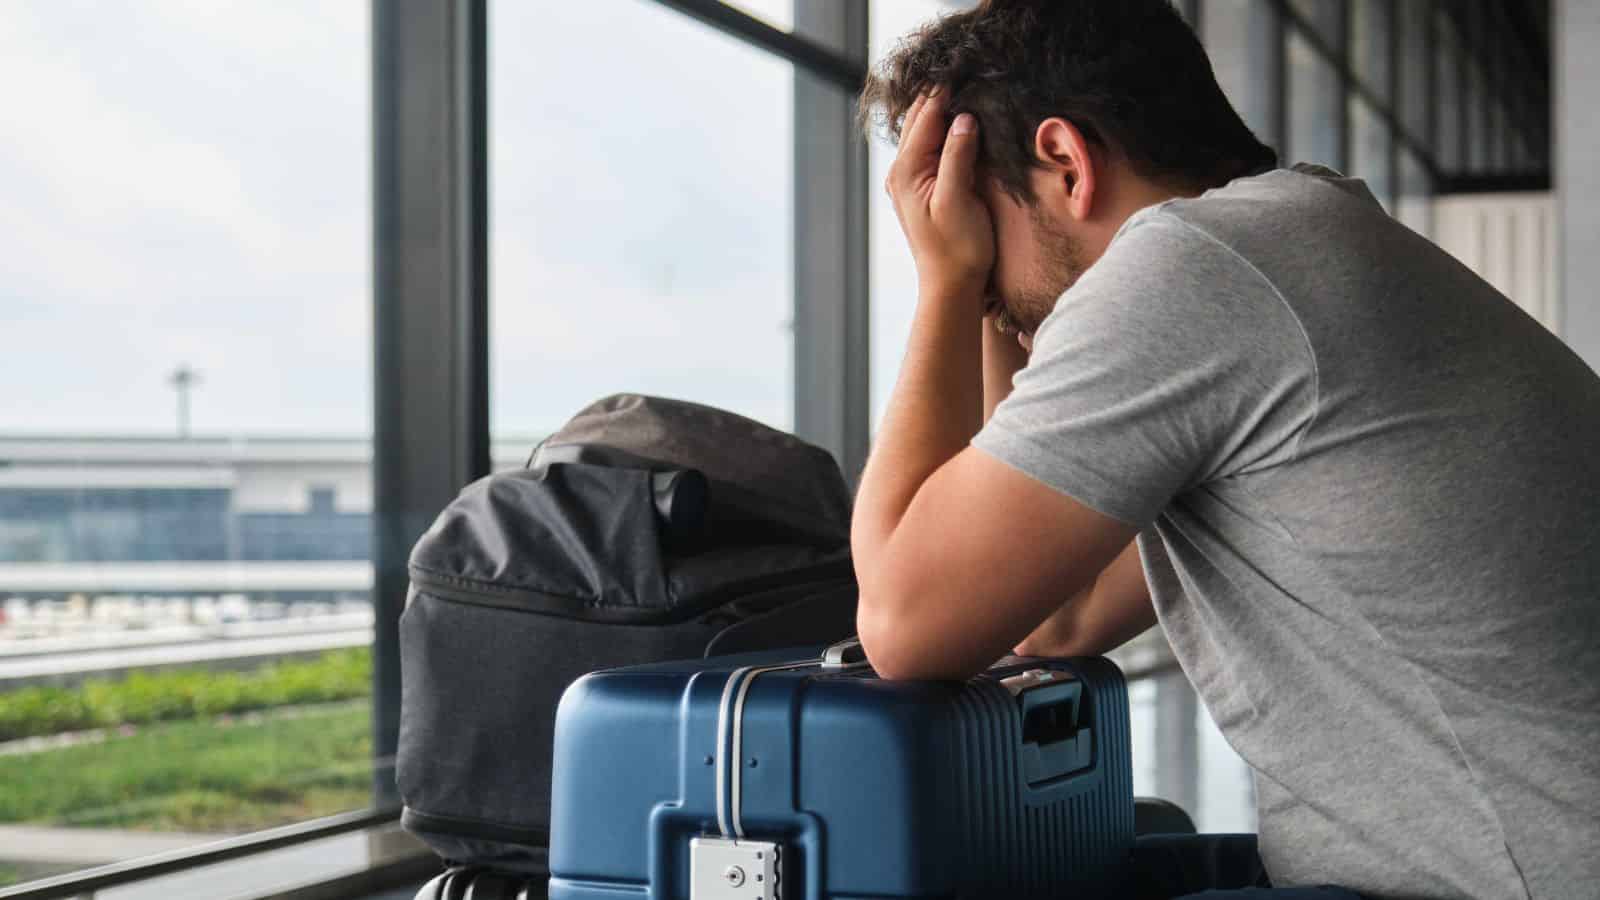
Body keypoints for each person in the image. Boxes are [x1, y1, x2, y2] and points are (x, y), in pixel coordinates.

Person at [851, 2, 1600, 899]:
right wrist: (991, 298)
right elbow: (1053, 616)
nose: (971, 254)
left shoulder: (1192, 265)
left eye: (975, 216)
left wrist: (947, 282)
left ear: (1064, 161)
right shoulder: (1296, 243)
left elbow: (906, 624)